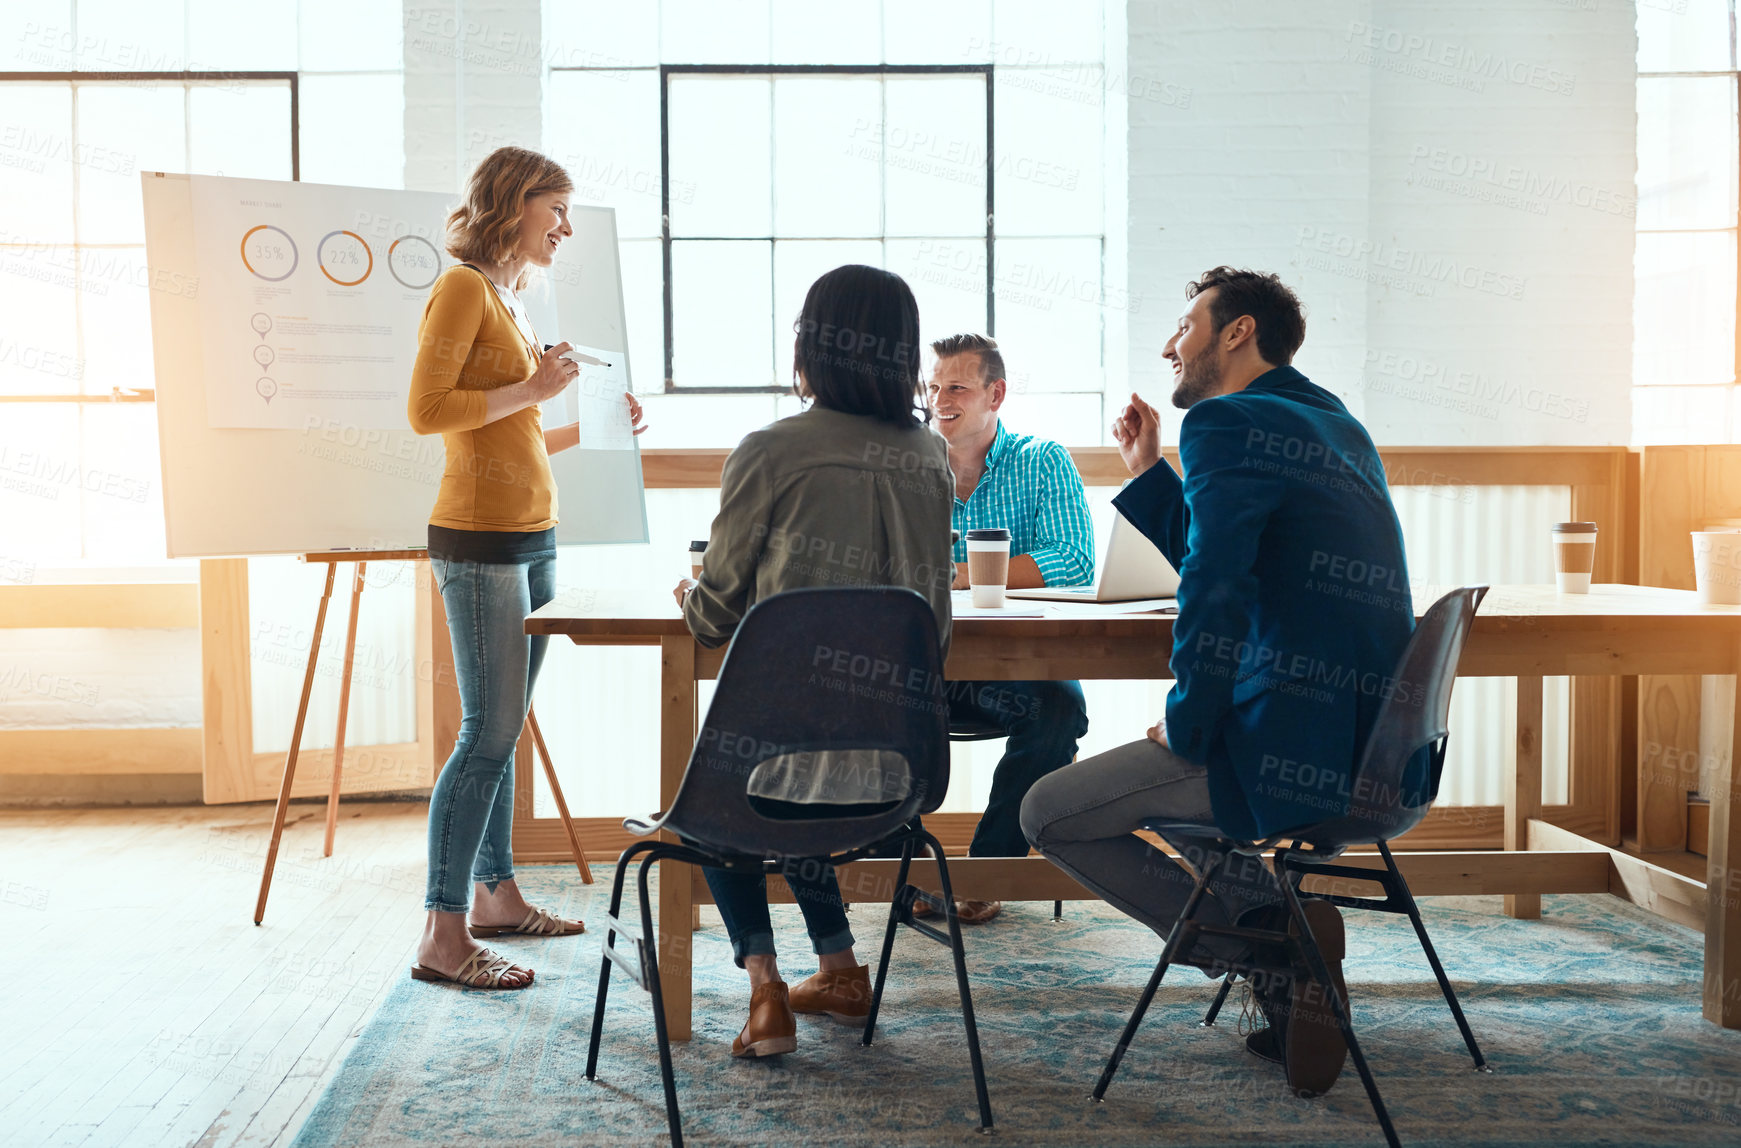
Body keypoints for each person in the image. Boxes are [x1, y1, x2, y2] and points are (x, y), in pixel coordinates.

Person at [1020, 267, 1419, 1096]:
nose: (1170, 345)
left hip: (1291, 749)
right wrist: (1147, 469)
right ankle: (1282, 944)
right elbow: (1230, 548)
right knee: (1127, 801)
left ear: (1236, 332)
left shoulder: (1225, 420)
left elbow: (1216, 588)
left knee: (1049, 812)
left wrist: (1189, 719)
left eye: (1184, 324)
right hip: (1377, 755)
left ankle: (1272, 947)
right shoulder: (1332, 421)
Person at [672, 264, 953, 1058]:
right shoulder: (930, 457)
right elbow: (932, 621)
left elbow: (717, 613)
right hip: (899, 772)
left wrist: (687, 594)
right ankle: (839, 969)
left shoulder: (769, 450)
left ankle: (765, 992)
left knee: (730, 786)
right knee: (797, 765)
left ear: (808, 347)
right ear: (902, 356)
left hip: (778, 774)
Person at [405, 146, 646, 990]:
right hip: (479, 541)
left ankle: (498, 898)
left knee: (503, 730)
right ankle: (442, 934)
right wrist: (537, 386)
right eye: (558, 210)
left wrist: (597, 421)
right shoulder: (464, 287)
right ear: (515, 205)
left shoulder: (507, 301)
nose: (566, 228)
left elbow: (519, 433)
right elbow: (427, 411)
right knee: (487, 735)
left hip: (531, 535)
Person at [925, 333, 1093, 924]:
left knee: (1058, 713)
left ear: (996, 393)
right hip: (923, 666)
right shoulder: (901, 464)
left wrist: (966, 574)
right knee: (860, 704)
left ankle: (986, 871)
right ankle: (902, 872)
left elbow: (1073, 561)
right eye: (934, 386)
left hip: (1014, 670)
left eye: (957, 387)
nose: (940, 399)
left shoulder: (1042, 460)